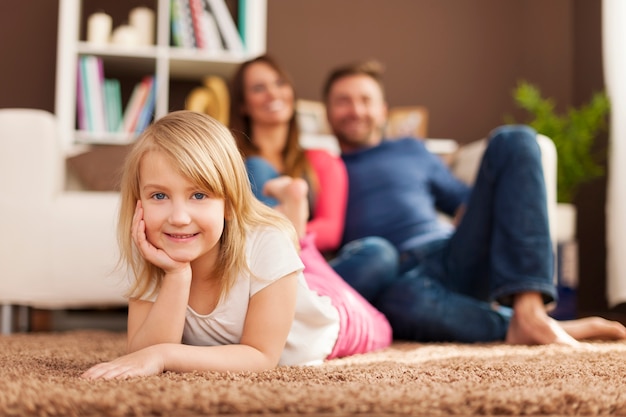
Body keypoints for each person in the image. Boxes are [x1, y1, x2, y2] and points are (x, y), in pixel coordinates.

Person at [322, 60, 626, 345]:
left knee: (514, 139)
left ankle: (530, 308)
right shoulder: (318, 168)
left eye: (365, 100)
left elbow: (463, 201)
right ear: (328, 112)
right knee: (400, 304)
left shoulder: (411, 150)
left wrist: (473, 215)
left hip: (451, 255)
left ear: (383, 110)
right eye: (343, 101)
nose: (355, 110)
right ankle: (516, 325)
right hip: (393, 279)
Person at [81, 110, 391, 380]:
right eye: (159, 196)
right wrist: (176, 276)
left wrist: (166, 356)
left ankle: (296, 225)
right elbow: (141, 355)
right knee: (295, 256)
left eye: (199, 195)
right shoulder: (155, 246)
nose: (177, 217)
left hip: (335, 320)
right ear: (139, 204)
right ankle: (296, 229)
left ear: (229, 204)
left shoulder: (266, 243)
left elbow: (261, 356)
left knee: (381, 327)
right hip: (277, 273)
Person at [229, 54, 398, 287]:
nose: (273, 94)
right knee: (255, 167)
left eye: (280, 84)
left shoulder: (320, 160)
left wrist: (289, 231)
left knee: (380, 254)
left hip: (311, 273)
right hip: (255, 268)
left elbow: (330, 231)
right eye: (259, 88)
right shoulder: (231, 162)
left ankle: (295, 301)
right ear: (243, 104)